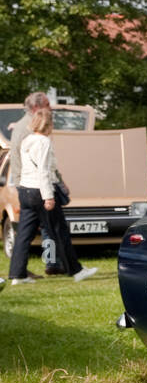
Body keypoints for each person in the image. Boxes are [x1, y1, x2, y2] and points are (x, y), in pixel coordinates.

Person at [7, 107, 95, 285]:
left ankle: (17, 274)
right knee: (59, 231)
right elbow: (44, 171)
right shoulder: (44, 142)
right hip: (40, 191)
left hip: (25, 190)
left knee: (24, 235)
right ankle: (76, 271)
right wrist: (48, 196)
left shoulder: (26, 140)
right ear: (48, 124)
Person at [4, 91, 65, 276]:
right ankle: (58, 265)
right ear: (37, 108)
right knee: (49, 228)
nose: (50, 108)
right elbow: (42, 165)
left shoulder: (22, 126)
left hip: (25, 185)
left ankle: (23, 270)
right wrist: (53, 187)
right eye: (47, 104)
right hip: (34, 186)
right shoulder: (33, 132)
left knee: (31, 230)